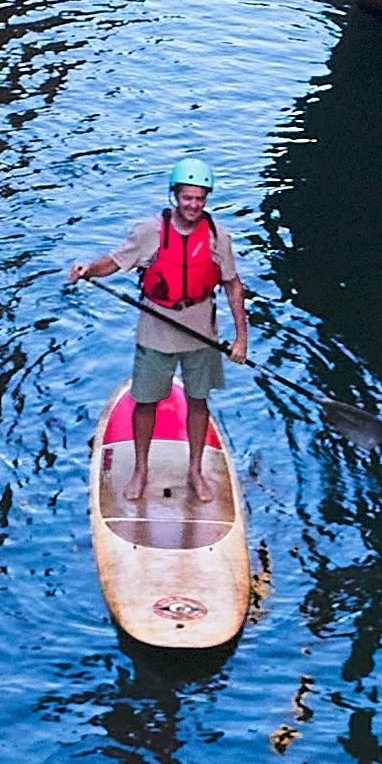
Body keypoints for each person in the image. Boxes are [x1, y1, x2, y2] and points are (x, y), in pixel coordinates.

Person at [64, 158, 240, 526]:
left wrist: (241, 338)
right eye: (187, 197)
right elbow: (115, 261)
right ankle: (140, 470)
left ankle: (195, 470)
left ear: (206, 199)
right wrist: (87, 270)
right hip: (156, 331)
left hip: (201, 331)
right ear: (175, 196)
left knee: (198, 401)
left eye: (200, 198)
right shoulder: (149, 232)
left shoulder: (218, 237)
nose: (193, 205)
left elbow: (232, 286)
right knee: (144, 403)